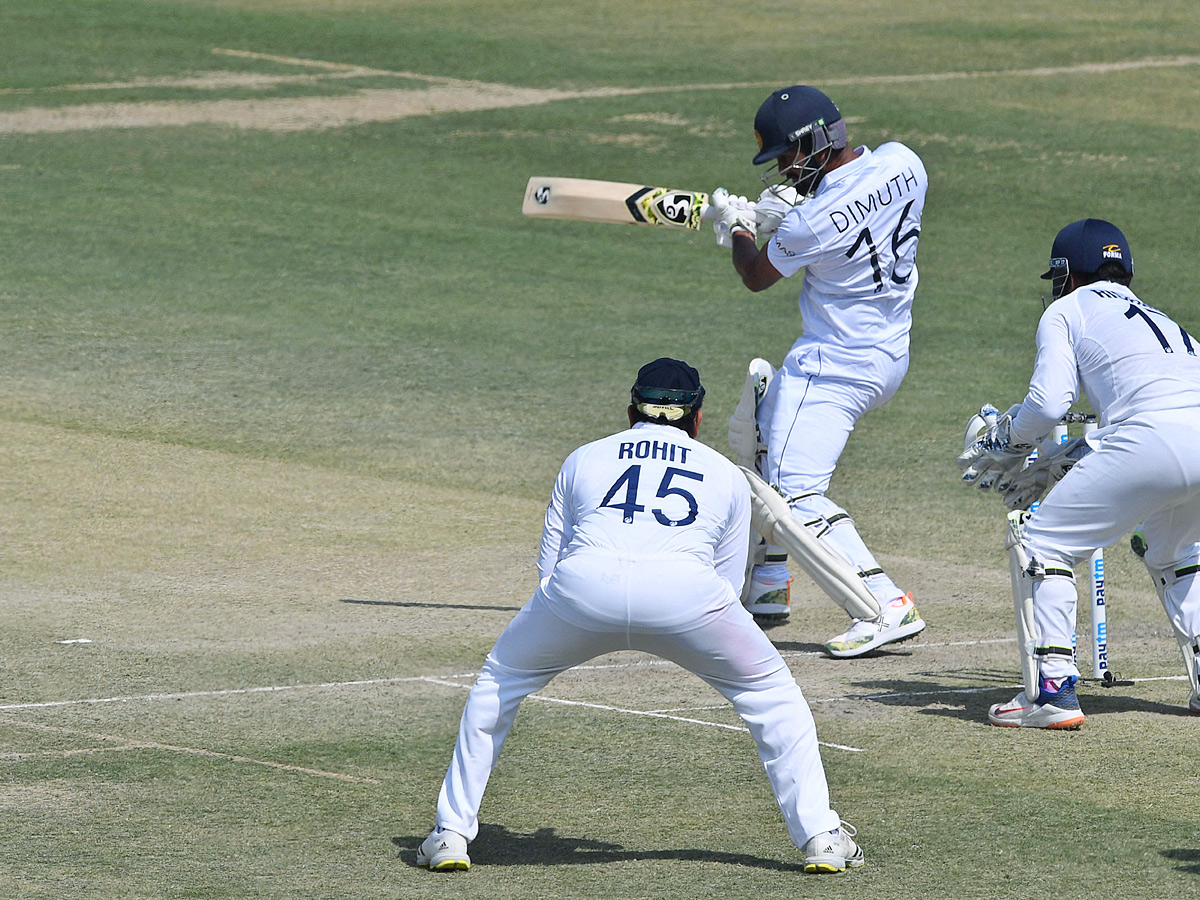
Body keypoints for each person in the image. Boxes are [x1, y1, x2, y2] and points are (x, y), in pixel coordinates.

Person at [416, 358, 863, 874]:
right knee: (773, 697)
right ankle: (821, 837)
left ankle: (450, 834)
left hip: (583, 588)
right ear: (696, 419)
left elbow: (548, 572)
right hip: (689, 595)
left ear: (631, 410)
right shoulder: (724, 472)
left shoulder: (582, 458)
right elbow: (728, 585)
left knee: (500, 680)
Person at [708, 85, 927, 656]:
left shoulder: (809, 225)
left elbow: (756, 275)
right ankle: (769, 585)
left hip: (832, 367)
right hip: (890, 353)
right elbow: (850, 211)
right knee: (755, 434)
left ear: (815, 142)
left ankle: (881, 602)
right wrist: (796, 207)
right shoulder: (907, 163)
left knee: (793, 492)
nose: (782, 168)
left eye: (786, 156)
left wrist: (738, 227)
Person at [958, 219, 1200, 728]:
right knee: (1178, 552)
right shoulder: (1162, 320)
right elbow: (1150, 417)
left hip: (1151, 441)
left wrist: (1006, 441)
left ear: (1067, 274)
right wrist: (1068, 460)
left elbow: (1049, 405)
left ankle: (1053, 693)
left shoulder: (1069, 309)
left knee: (1043, 543)